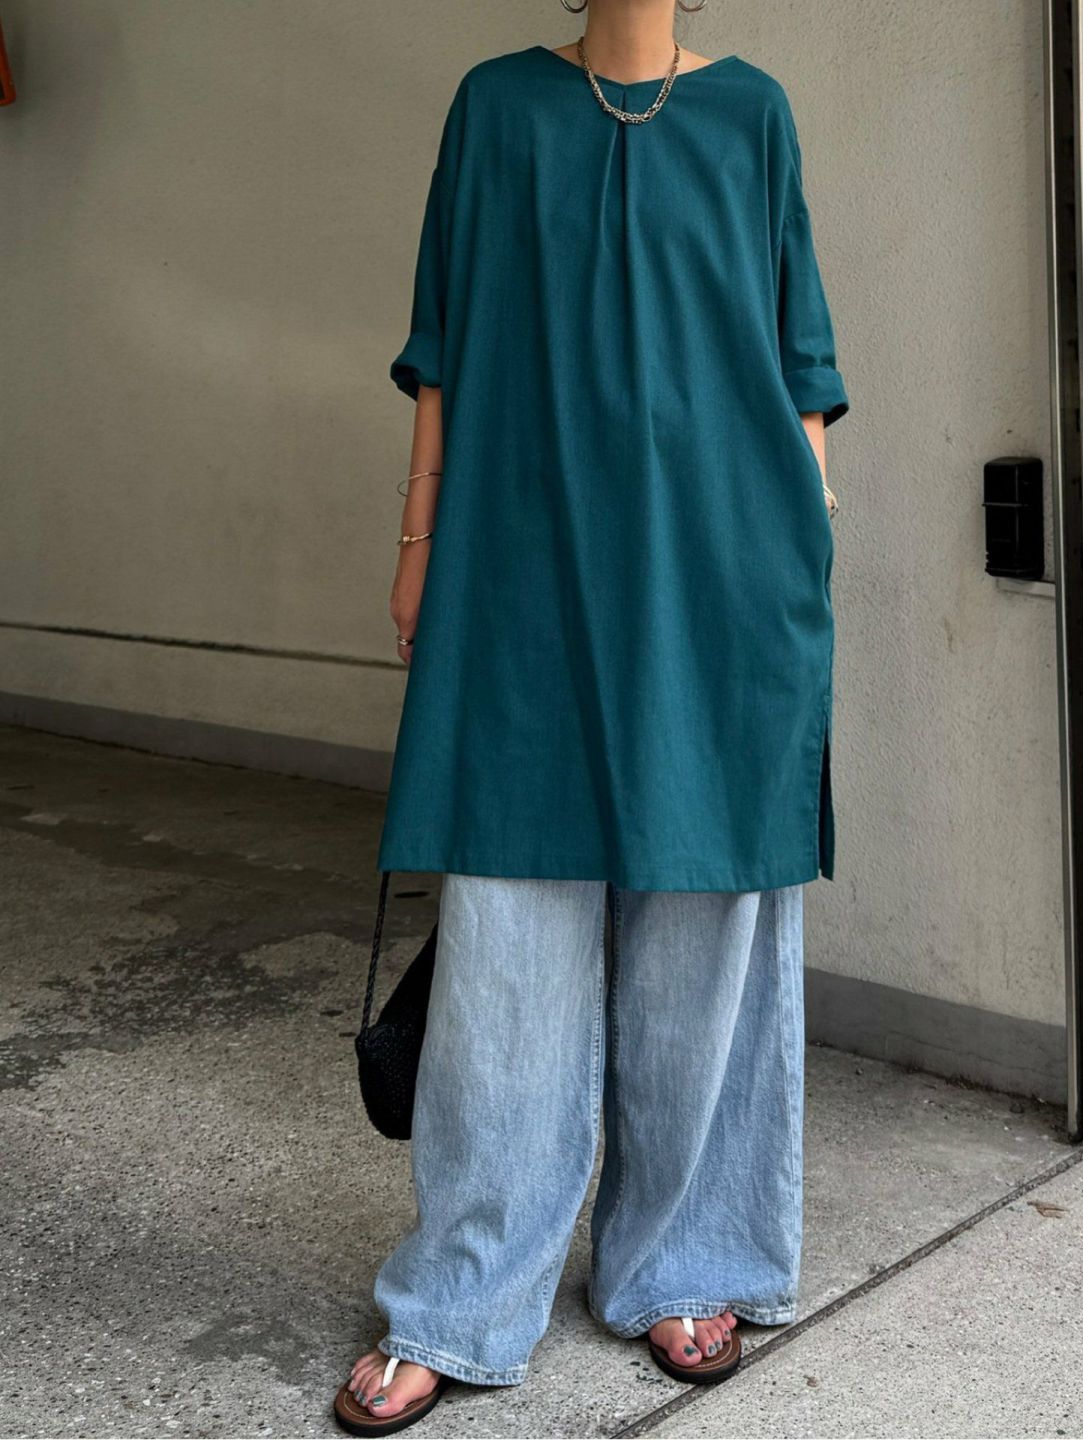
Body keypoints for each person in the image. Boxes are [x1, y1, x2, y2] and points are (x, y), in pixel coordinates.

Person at [335, 0, 849, 1431]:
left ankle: (691, 1259)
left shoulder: (753, 116)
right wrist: (418, 544)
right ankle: (461, 1294)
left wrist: (809, 556)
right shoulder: (496, 109)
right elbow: (443, 344)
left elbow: (802, 362)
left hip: (726, 579)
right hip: (520, 574)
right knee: (504, 947)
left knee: (708, 930)